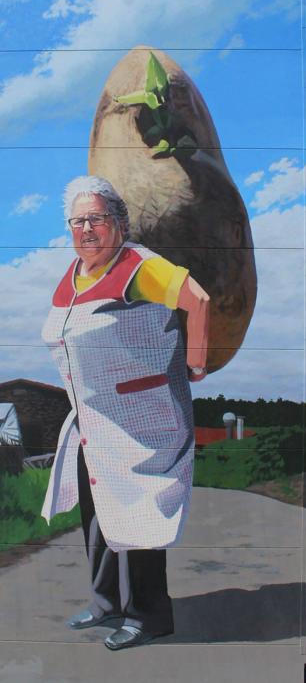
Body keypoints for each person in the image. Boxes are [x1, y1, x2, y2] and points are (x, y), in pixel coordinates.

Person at [41, 175, 210, 651]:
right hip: (93, 421)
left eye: (96, 219)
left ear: (119, 222)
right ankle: (106, 603)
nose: (86, 229)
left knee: (137, 517)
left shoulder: (139, 266)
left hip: (140, 422)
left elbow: (198, 300)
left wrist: (196, 363)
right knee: (97, 515)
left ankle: (148, 617)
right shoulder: (74, 273)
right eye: (78, 221)